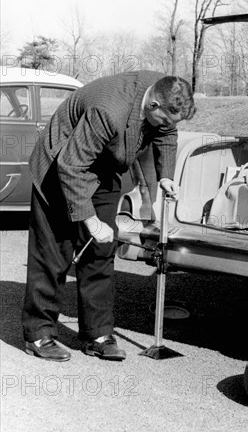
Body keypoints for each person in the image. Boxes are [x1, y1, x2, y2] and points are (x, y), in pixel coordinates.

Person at [22, 70, 196, 361]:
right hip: (60, 165)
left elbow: (167, 133)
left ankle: (97, 334)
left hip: (102, 167)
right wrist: (90, 220)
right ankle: (38, 334)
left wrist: (166, 176)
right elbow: (71, 167)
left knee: (102, 249)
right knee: (54, 252)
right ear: (152, 105)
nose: (167, 126)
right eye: (164, 119)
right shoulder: (109, 109)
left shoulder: (165, 93)